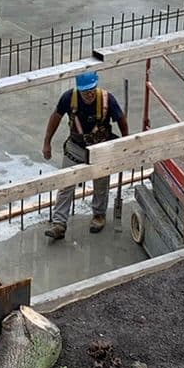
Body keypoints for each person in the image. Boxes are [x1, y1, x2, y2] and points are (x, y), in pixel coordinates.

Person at [42, 70, 125, 240]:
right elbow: (55, 118)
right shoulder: (69, 98)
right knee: (66, 183)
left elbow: (122, 121)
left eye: (91, 90)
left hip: (100, 148)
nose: (88, 94)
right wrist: (47, 142)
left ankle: (99, 215)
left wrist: (126, 144)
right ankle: (59, 223)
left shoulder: (107, 100)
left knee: (101, 183)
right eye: (85, 91)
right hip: (76, 147)